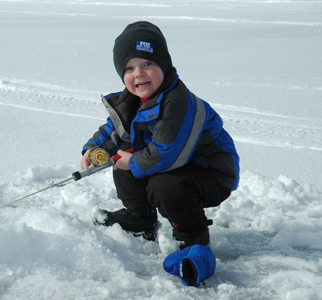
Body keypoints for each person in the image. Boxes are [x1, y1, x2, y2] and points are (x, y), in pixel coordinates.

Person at [80, 21, 239, 249]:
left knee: (162, 183)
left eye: (147, 63)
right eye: (129, 68)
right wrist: (93, 150)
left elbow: (168, 153)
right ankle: (140, 219)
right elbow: (113, 131)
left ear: (164, 65)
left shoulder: (178, 101)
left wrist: (132, 161)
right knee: (124, 158)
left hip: (211, 174)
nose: (139, 73)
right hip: (176, 167)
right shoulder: (132, 101)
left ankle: (192, 235)